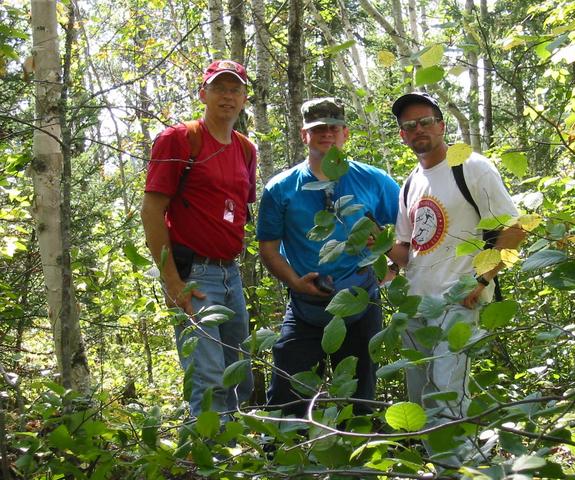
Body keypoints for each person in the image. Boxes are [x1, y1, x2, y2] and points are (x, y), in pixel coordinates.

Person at [389, 91, 526, 461]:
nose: (418, 130)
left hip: (458, 301)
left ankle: (457, 467)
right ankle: (456, 460)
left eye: (425, 122)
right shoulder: (410, 182)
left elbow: (515, 229)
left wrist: (482, 281)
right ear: (402, 135)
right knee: (420, 401)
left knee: (445, 396)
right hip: (417, 305)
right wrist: (376, 244)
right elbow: (408, 250)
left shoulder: (472, 167)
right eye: (409, 126)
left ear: (441, 125)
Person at [257, 98, 400, 417]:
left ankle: (357, 464)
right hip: (306, 309)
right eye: (317, 128)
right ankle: (281, 458)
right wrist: (296, 281)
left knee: (361, 398)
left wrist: (391, 267)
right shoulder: (281, 188)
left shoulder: (374, 180)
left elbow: (409, 226)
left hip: (361, 305)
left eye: (333, 128)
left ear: (346, 134)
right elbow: (268, 248)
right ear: (303, 135)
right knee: (287, 396)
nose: (326, 134)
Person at [140, 60, 256, 417]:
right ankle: (207, 464)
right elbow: (151, 211)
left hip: (230, 274)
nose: (227, 96)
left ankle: (235, 459)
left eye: (235, 89)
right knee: (207, 378)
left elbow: (238, 209)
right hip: (195, 275)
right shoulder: (179, 139)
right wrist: (173, 281)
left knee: (239, 375)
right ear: (203, 94)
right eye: (219, 88)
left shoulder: (245, 149)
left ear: (244, 98)